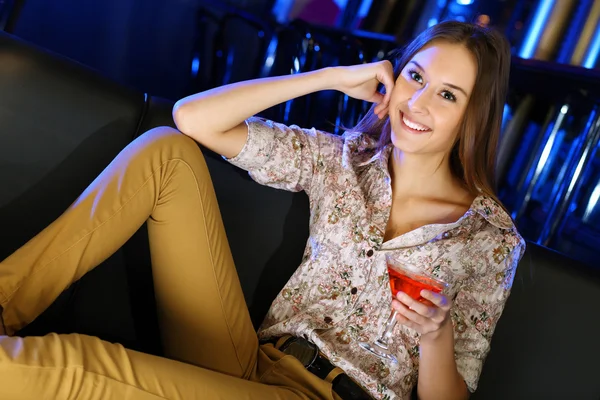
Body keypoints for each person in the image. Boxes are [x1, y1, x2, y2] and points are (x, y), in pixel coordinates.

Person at [0, 20, 524, 400]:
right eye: (415, 76)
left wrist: (436, 336)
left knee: (70, 368)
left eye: (448, 96)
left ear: (471, 118)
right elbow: (193, 118)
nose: (419, 103)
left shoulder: (490, 238)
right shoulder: (345, 161)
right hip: (248, 363)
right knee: (166, 152)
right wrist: (328, 77)